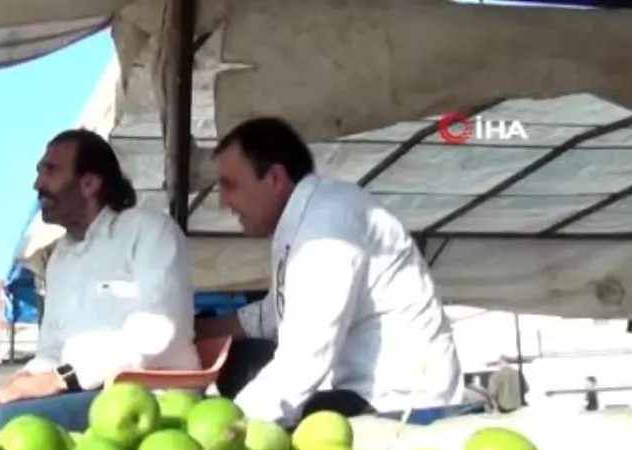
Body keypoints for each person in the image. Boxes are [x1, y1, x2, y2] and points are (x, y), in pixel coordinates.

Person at [195, 117, 464, 427]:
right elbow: (278, 311)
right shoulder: (301, 221)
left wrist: (234, 426)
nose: (223, 202)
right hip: (367, 392)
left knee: (260, 388)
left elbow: (306, 353)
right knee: (242, 360)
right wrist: (200, 329)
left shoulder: (326, 227)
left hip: (405, 402)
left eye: (230, 185)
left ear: (275, 178)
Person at [0, 129, 200, 434]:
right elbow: (51, 350)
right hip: (77, 391)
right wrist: (23, 380)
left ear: (89, 183)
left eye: (50, 171)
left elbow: (158, 333)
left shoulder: (150, 231)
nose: (38, 184)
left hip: (145, 395)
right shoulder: (60, 257)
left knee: (4, 425)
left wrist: (62, 378)